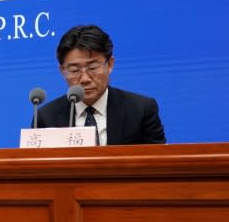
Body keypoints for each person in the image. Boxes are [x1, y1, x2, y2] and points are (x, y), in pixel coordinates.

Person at [36, 25, 166, 145]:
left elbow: (160, 162)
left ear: (110, 64)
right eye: (75, 70)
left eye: (92, 67)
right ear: (62, 71)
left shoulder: (140, 110)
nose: (85, 79)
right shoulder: (46, 117)